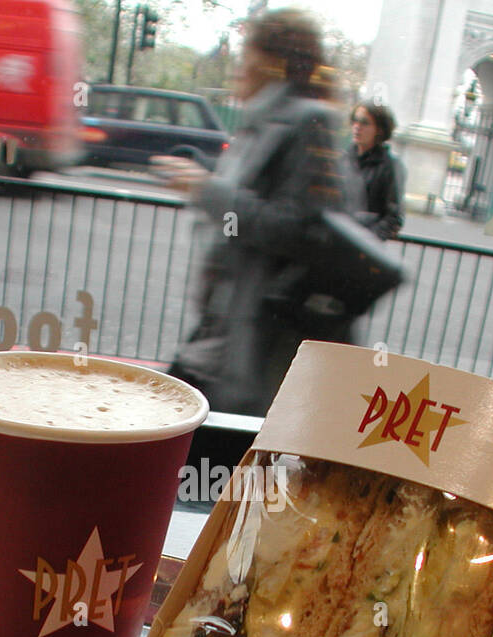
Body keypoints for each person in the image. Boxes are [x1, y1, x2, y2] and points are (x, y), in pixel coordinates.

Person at [151, 8, 360, 417]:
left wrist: (205, 189)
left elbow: (303, 227)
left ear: (267, 59)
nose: (236, 63)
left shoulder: (306, 121)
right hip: (227, 327)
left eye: (245, 50)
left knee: (210, 452)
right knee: (191, 442)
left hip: (264, 333)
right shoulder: (264, 121)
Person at [350, 101, 404, 240]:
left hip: (363, 247)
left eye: (364, 123)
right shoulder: (342, 159)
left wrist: (366, 240)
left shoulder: (390, 166)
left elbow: (394, 217)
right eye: (355, 121)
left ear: (379, 130)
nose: (357, 127)